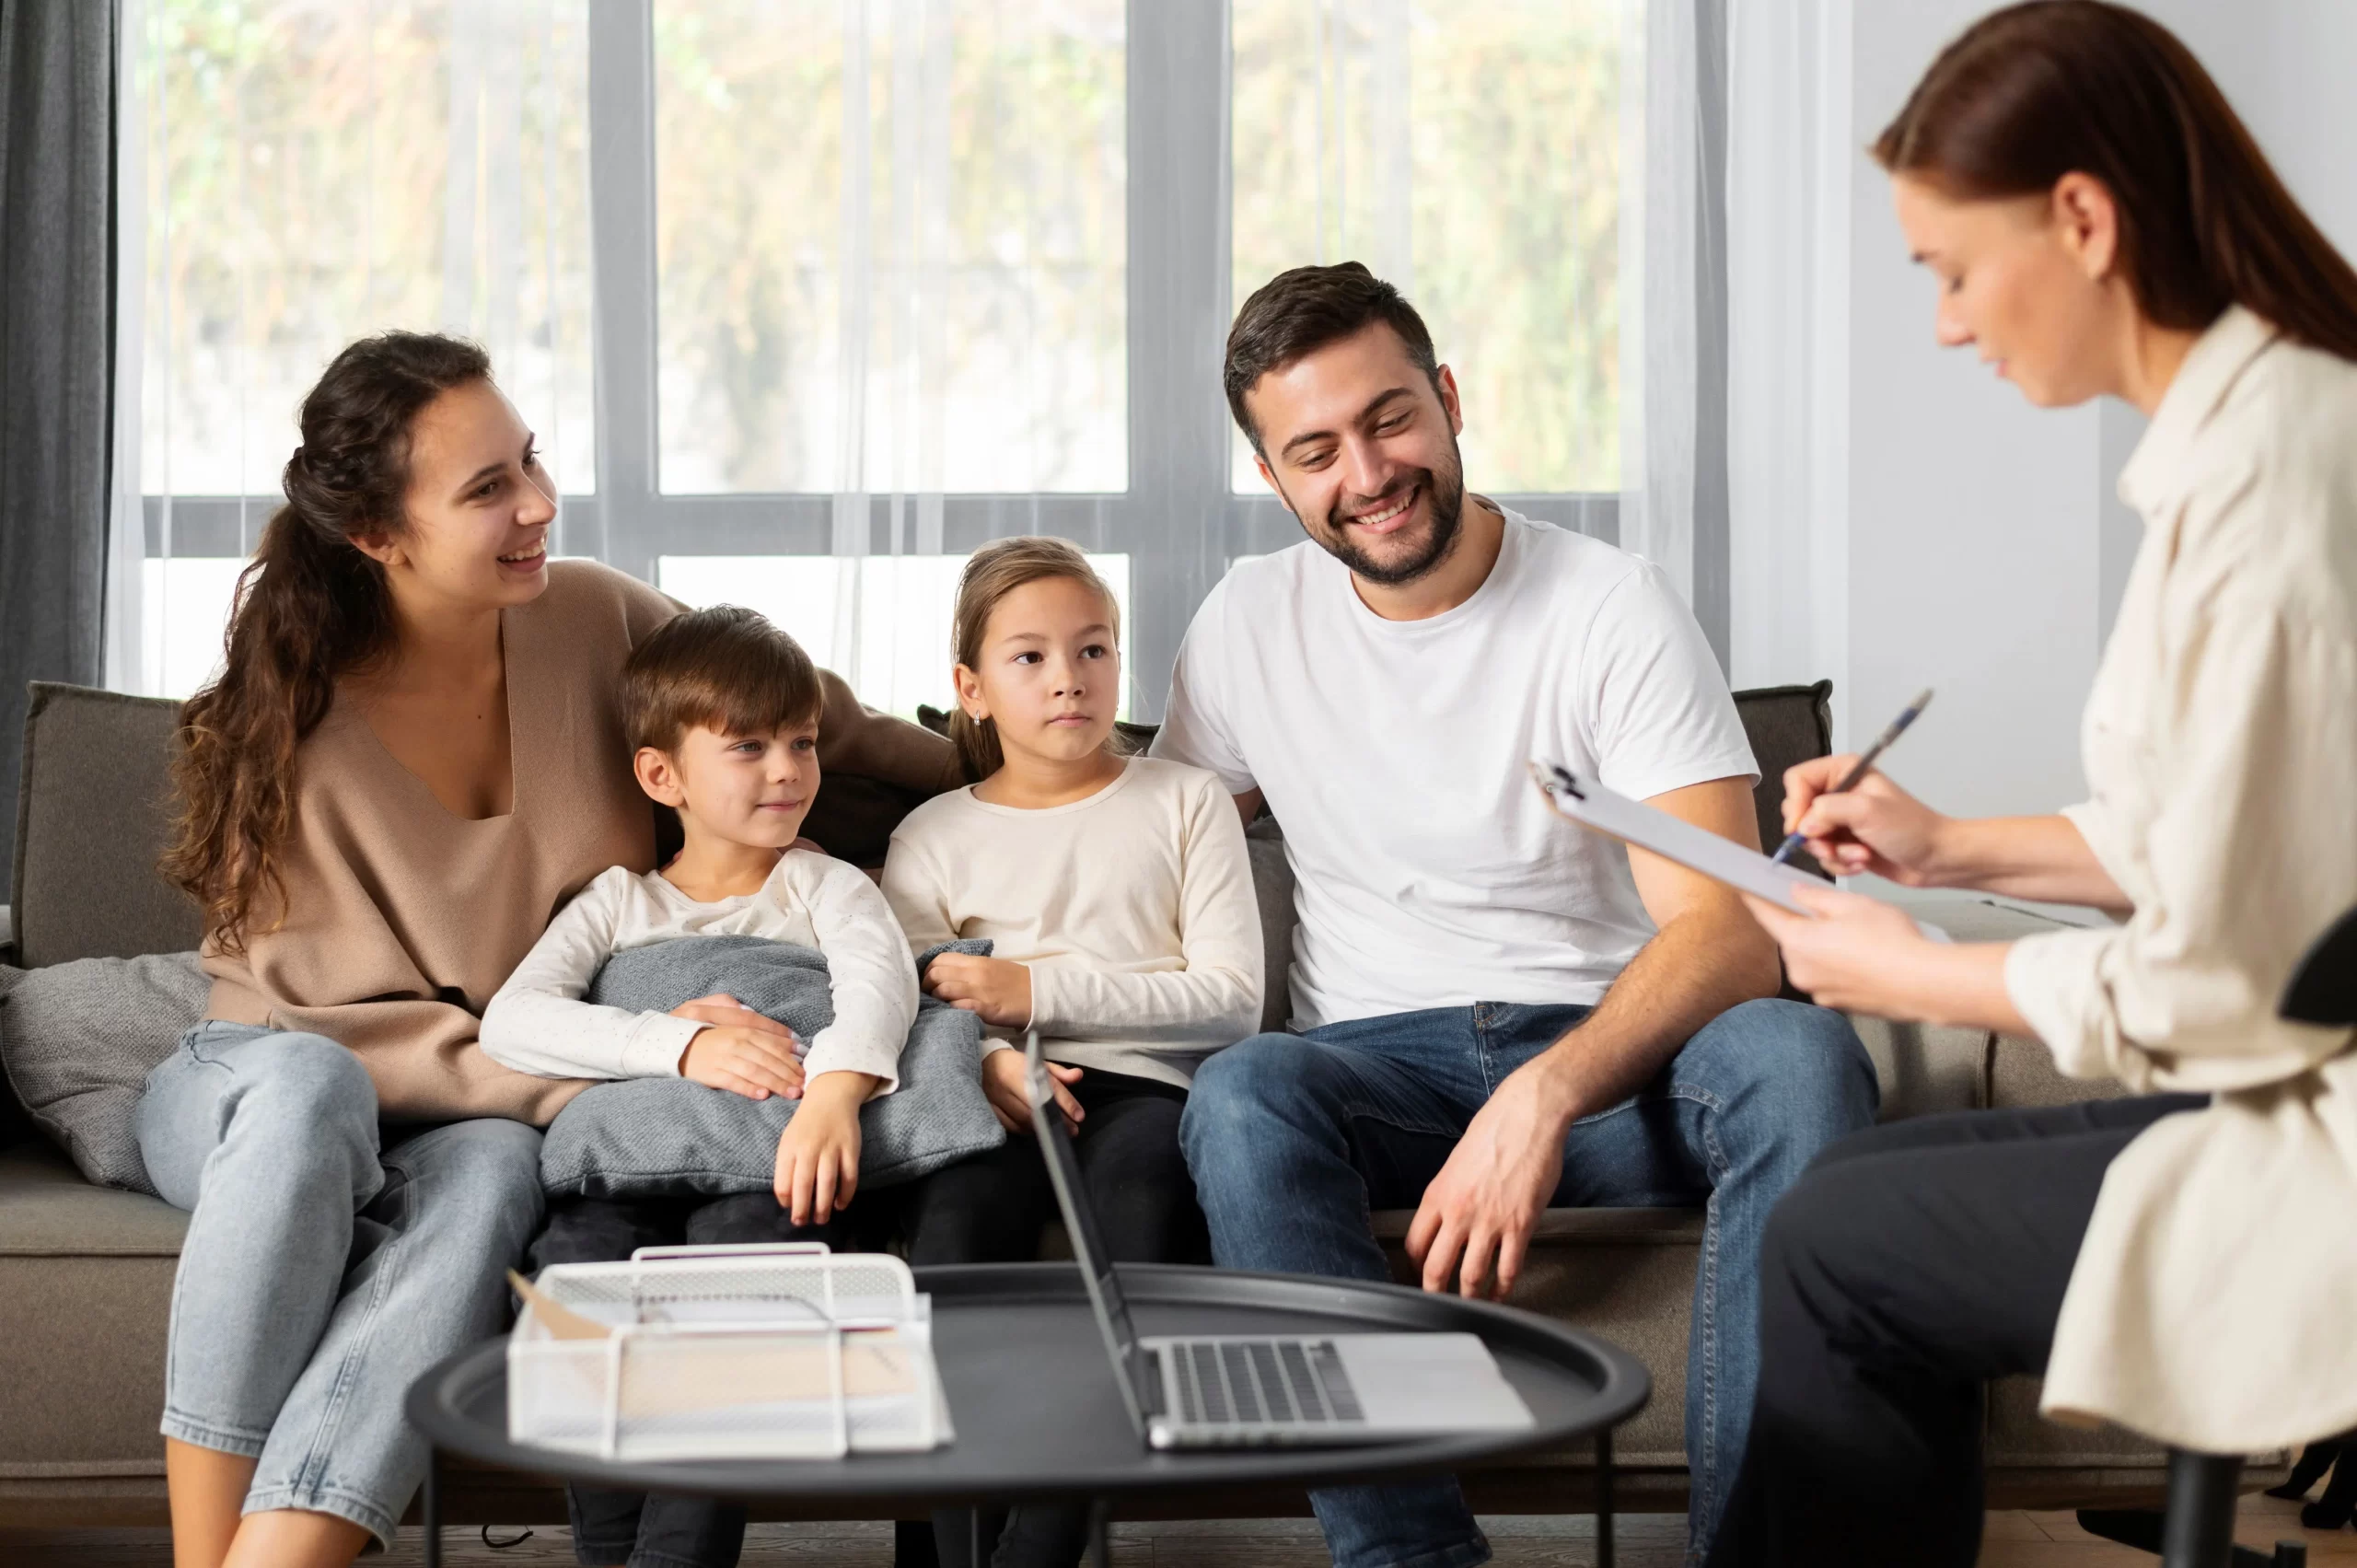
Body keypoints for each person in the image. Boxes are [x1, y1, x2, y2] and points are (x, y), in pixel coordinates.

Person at [1705, 6, 2357, 1563]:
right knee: (1859, 1186)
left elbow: (2232, 969)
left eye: (1947, 267)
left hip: (2317, 1141)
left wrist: (1929, 973)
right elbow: (2238, 846)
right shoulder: (2259, 433)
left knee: (1832, 1240)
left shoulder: (2272, 482)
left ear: (2082, 217)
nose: (1942, 321)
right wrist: (1943, 843)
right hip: (2292, 1079)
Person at [141, 331, 958, 1568]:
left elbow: (800, 709)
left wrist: (1024, 773)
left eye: (528, 459)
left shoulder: (590, 614)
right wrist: (643, 1060)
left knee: (491, 1185)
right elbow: (328, 1030)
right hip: (263, 1070)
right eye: (485, 489)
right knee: (318, 1091)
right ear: (378, 533)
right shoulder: (294, 716)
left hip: (489, 1108)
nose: (537, 503)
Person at [1153, 262, 1876, 1568]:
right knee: (1244, 1095)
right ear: (1273, 477)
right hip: (1375, 1068)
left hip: (1623, 1061)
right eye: (1314, 450)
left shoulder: (1611, 605)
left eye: (1388, 419)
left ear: (1447, 398)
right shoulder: (1247, 625)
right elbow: (1133, 847)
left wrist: (1540, 1095)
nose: (1367, 472)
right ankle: (1414, 1557)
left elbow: (1726, 926)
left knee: (1805, 1055)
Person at [481, 604, 920, 1568]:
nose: (787, 769)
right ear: (661, 774)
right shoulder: (618, 900)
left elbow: (883, 988)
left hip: (764, 1169)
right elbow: (512, 1020)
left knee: (734, 1288)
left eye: (801, 742)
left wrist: (835, 1096)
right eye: (749, 746)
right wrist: (676, 1043)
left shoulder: (826, 885)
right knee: (576, 1281)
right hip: (627, 1166)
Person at [880, 536, 1264, 1568]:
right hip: (990, 1088)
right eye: (1031, 657)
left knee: (1136, 1228)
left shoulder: (1184, 801)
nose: (1070, 679)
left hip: (1144, 1083)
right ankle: (947, 1547)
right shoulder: (930, 834)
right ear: (970, 688)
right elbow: (906, 1000)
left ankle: (1037, 1552)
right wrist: (990, 1057)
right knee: (951, 1245)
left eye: (1094, 650)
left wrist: (1032, 988)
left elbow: (1231, 1000)